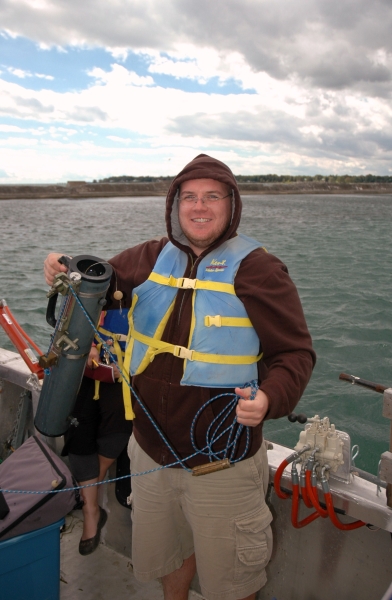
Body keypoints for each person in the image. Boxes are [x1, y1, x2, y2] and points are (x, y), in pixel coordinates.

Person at [44, 154, 316, 600]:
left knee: (233, 582)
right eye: (189, 197)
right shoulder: (149, 257)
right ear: (175, 205)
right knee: (168, 559)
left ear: (232, 204)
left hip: (222, 462)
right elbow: (93, 278)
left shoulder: (261, 270)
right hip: (150, 454)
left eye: (212, 196)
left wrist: (270, 398)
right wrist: (60, 265)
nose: (199, 206)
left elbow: (295, 353)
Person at [61, 308, 133, 555]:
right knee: (76, 430)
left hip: (125, 369)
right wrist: (88, 344)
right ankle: (91, 509)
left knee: (118, 428)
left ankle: (89, 490)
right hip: (84, 364)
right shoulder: (93, 270)